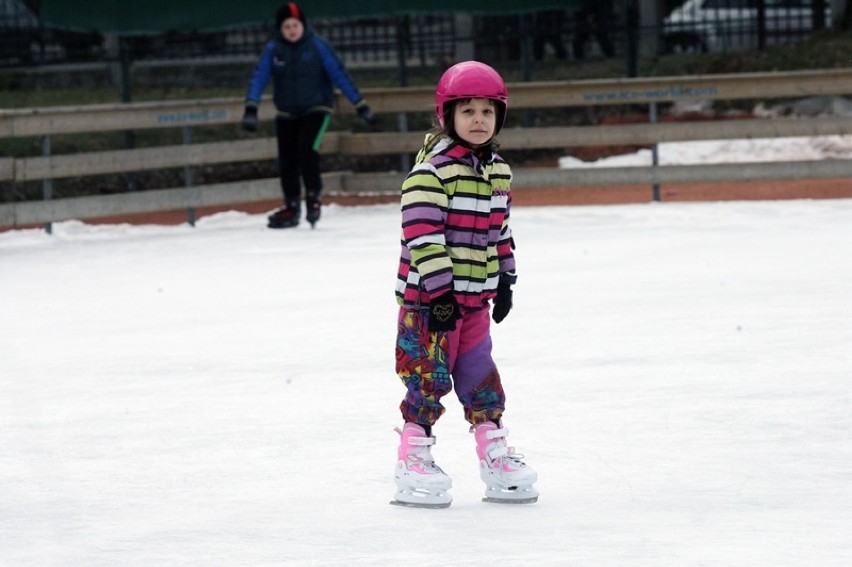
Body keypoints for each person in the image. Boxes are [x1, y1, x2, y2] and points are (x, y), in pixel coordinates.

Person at [390, 61, 538, 509]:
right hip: (428, 305)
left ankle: (494, 453)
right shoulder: (430, 174)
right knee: (427, 380)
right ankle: (412, 457)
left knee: (481, 379)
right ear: (447, 115)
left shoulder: (499, 173)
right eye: (468, 110)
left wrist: (506, 277)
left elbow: (500, 232)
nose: (478, 120)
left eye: (488, 112)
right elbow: (422, 236)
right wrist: (438, 294)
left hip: (474, 303)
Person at [242, 2, 377, 229]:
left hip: (317, 108)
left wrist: (360, 104)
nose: (292, 30)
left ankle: (313, 198)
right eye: (287, 27)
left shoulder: (317, 46)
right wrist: (251, 107)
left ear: (303, 25)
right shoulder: (274, 49)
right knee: (287, 160)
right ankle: (292, 206)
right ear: (280, 29)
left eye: (295, 25)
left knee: (306, 149)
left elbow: (338, 74)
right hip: (286, 111)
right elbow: (259, 77)